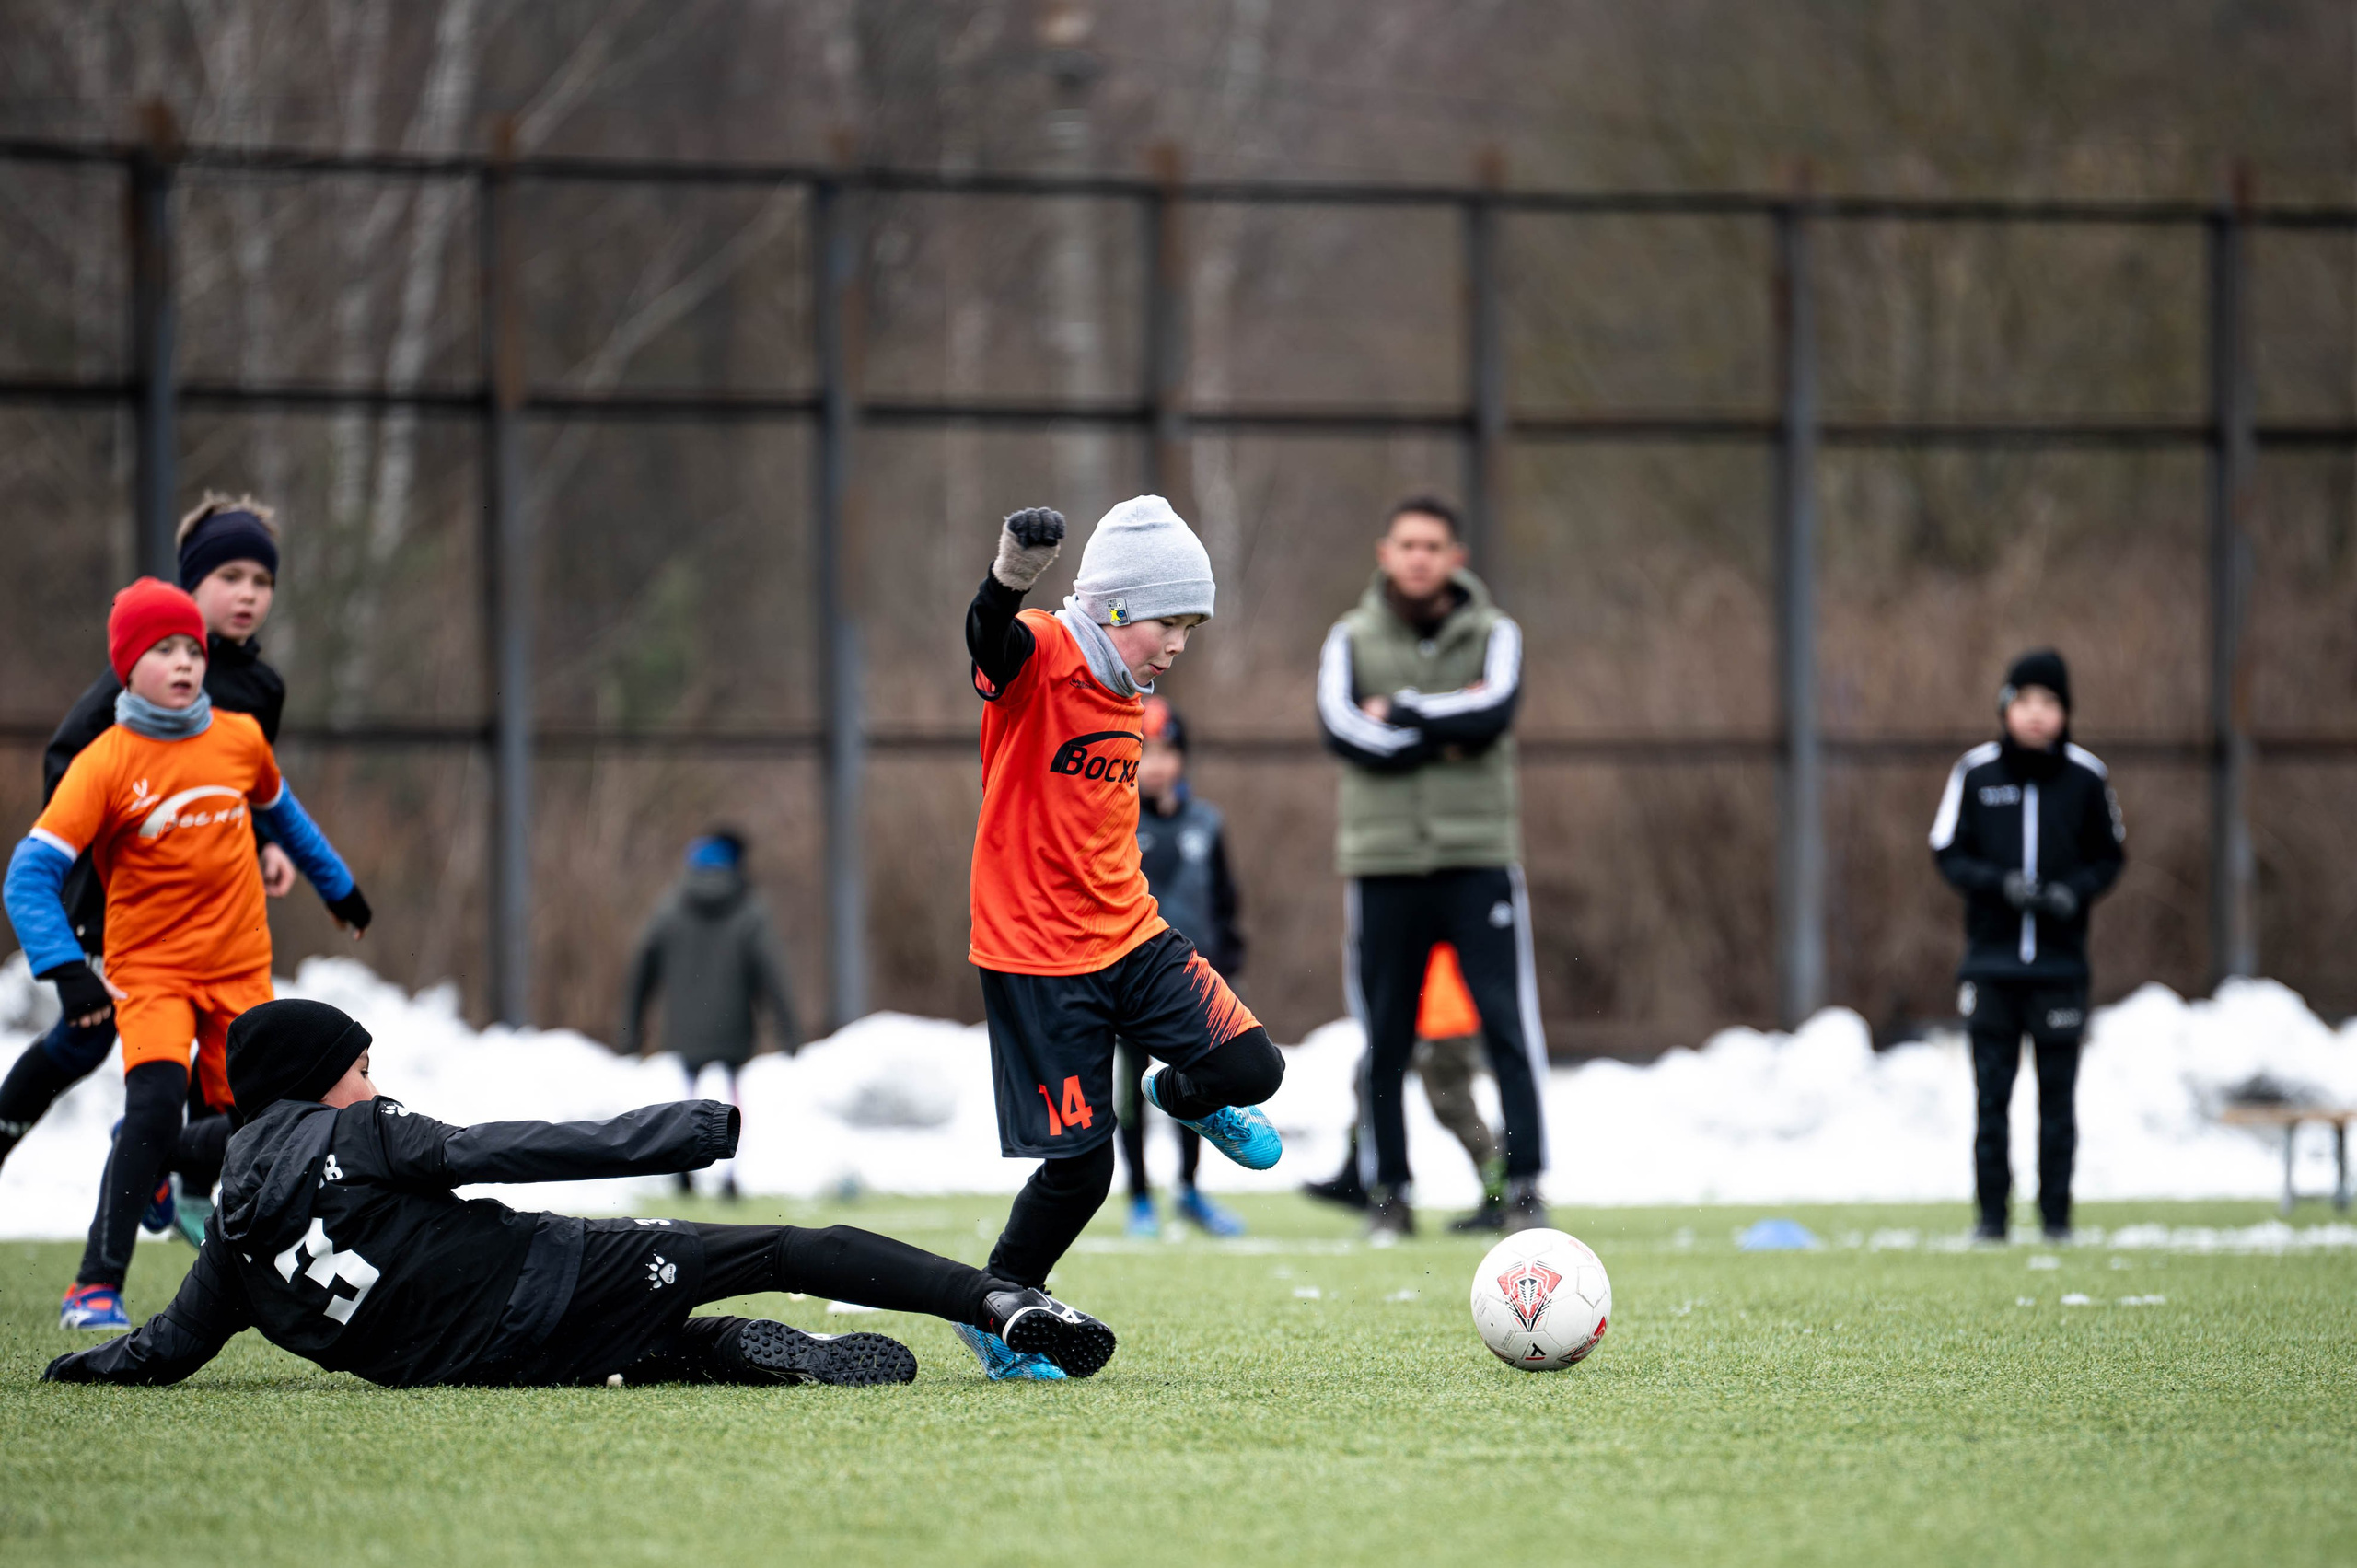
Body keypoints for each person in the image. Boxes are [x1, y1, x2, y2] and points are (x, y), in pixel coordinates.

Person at [42, 998, 1117, 1388]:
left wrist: (78, 1368)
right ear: (320, 1082)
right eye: (359, 1063)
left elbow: (165, 1347)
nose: (373, 1079)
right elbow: (512, 1149)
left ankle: (705, 1348)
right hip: (545, 1278)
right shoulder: (361, 1131)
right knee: (785, 1243)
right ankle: (1001, 1302)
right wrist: (682, 1129)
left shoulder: (229, 1231)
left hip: (476, 1372)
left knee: (662, 1335)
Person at [964, 498, 1285, 1376]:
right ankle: (998, 1305)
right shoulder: (1048, 651)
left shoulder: (1133, 693)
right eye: (1169, 622)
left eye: (1191, 625)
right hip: (1037, 955)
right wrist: (1010, 576)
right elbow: (992, 638)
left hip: (1132, 935)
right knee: (1082, 1173)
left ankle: (1179, 1094)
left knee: (1254, 1068)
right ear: (1111, 607)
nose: (1179, 643)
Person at [3, 578, 369, 1331]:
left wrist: (339, 888)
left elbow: (285, 817)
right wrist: (69, 970)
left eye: (191, 650)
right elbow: (27, 875)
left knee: (267, 1122)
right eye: (162, 650)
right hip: (153, 974)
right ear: (127, 666)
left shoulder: (238, 737)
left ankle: (168, 1164)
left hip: (239, 969)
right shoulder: (104, 762)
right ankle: (93, 1289)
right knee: (154, 1101)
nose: (183, 663)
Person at [0, 495, 308, 1236]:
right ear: (188, 586)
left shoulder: (259, 689)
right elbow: (70, 763)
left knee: (219, 1049)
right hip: (114, 891)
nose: (247, 594)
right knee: (89, 1028)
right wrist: (108, 852)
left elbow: (242, 786)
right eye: (229, 576)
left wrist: (265, 842)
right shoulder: (140, 673)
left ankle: (188, 1188)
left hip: (203, 911)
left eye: (261, 582)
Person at [1313, 495, 1549, 1240]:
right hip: (1383, 867)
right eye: (1407, 543)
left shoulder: (1497, 633)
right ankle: (1390, 1193)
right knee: (1385, 1035)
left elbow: (1496, 710)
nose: (1419, 556)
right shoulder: (1347, 637)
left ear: (1456, 558)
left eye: (1433, 544)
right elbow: (1342, 727)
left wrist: (1401, 710)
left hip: (1479, 864)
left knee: (1509, 1032)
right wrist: (1444, 726)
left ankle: (1524, 1186)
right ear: (1386, 553)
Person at [1931, 648, 2124, 1242]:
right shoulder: (1976, 773)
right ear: (2006, 707)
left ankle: (2057, 1220)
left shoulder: (2088, 777)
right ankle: (1991, 1219)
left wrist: (2073, 892)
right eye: (2027, 701)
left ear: (2066, 712)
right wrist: (2000, 886)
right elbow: (1947, 850)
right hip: (1990, 967)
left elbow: (2110, 854)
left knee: (2058, 1102)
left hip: (2061, 968)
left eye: (2050, 703)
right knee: (1992, 1097)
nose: (2037, 715)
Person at [1116, 697, 1248, 1239]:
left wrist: (1230, 960)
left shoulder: (1207, 823)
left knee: (1197, 1085)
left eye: (1169, 752)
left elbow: (1225, 899)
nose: (1159, 765)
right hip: (1130, 978)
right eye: (1147, 753)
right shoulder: (1115, 819)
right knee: (1133, 1088)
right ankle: (1140, 1197)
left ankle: (1190, 1190)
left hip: (1196, 981)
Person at [621, 828, 800, 1201]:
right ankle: (730, 1176)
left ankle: (685, 1168)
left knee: (688, 1096)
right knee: (733, 1097)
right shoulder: (750, 908)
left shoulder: (669, 906)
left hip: (683, 1028)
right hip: (733, 1026)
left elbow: (642, 968)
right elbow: (773, 973)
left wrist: (631, 1030)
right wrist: (789, 1031)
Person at [1301, 942, 1509, 1230]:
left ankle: (1500, 1194)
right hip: (1411, 1011)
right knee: (1370, 1086)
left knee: (1453, 1105)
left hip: (1443, 1017)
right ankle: (1358, 1176)